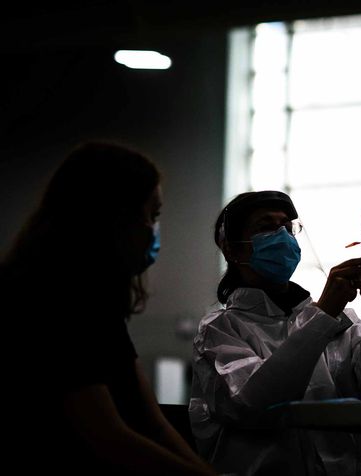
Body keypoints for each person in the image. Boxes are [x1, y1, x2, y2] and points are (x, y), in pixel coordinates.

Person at [0, 142, 217, 476]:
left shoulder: (98, 301)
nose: (155, 231)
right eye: (152, 215)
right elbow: (108, 436)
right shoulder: (51, 297)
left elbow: (151, 422)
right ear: (113, 216)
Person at [189, 190, 361, 475]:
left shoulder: (339, 321)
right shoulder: (219, 329)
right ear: (234, 249)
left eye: (287, 227)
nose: (283, 236)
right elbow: (256, 405)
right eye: (266, 227)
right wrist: (323, 314)